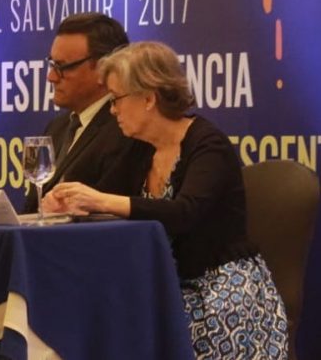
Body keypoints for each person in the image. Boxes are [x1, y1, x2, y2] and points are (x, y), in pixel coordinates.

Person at [48, 41, 289, 358]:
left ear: (148, 98)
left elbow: (184, 212)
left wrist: (101, 201)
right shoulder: (138, 148)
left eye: (116, 99)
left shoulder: (208, 144)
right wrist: (71, 202)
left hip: (221, 286)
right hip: (163, 283)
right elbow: (102, 198)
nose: (112, 110)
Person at [24, 12, 136, 213]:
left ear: (103, 68)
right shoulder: (57, 127)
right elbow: (32, 208)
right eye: (51, 64)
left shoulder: (125, 129)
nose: (51, 77)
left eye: (62, 67)